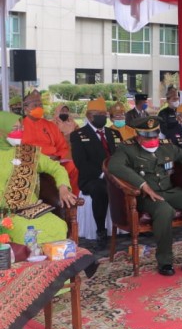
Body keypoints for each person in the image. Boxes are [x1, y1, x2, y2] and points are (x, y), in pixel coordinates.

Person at [108, 116, 182, 277]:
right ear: (138, 136)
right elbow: (114, 166)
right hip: (145, 196)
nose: (152, 140)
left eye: (155, 136)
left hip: (170, 191)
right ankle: (165, 261)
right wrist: (142, 185)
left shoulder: (167, 146)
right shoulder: (127, 148)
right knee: (165, 210)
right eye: (147, 137)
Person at [0, 111, 77, 245]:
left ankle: (55, 259)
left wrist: (63, 187)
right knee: (25, 232)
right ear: (2, 131)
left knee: (58, 225)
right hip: (6, 214)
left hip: (31, 210)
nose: (19, 132)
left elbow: (56, 168)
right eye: (14, 129)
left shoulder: (28, 152)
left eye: (21, 128)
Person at [70, 98, 120, 249]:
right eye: (98, 114)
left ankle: (134, 224)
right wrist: (104, 174)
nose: (102, 117)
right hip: (92, 178)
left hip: (116, 174)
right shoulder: (78, 135)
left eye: (104, 114)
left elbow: (121, 155)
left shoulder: (114, 133)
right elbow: (81, 162)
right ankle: (101, 230)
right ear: (89, 116)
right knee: (100, 189)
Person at [21, 90, 80, 194]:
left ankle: (73, 199)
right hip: (32, 163)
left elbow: (63, 147)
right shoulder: (19, 126)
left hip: (54, 161)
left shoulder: (50, 125)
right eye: (35, 105)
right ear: (26, 108)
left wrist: (57, 156)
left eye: (40, 105)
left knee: (73, 166)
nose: (39, 107)